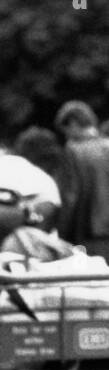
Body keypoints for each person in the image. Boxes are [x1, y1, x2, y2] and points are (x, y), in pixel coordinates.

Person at [54, 100, 109, 258]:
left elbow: (71, 196)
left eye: (66, 131)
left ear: (73, 123)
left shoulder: (74, 151)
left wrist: (62, 235)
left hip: (90, 232)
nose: (67, 137)